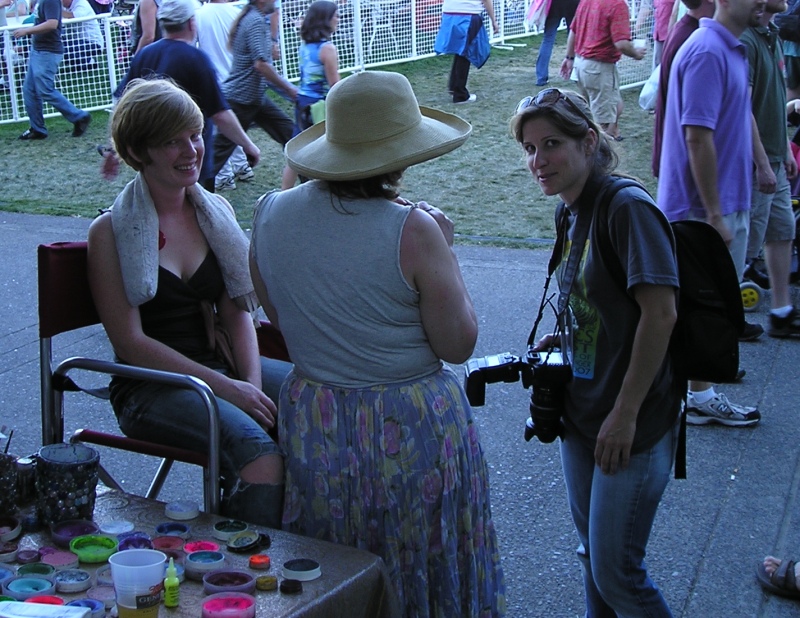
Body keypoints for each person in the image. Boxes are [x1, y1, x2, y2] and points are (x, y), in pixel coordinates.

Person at [249, 70, 506, 616]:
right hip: (407, 421)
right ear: (402, 152)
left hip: (317, 417)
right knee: (418, 559)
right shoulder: (414, 229)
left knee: (335, 564)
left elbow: (279, 315)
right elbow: (458, 343)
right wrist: (447, 252)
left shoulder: (269, 213)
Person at [86, 78, 291, 528]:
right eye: (171, 141)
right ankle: (245, 572)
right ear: (139, 151)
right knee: (263, 459)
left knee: (317, 402)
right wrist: (229, 390)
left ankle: (323, 549)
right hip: (149, 386)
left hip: (220, 370)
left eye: (195, 135)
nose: (191, 150)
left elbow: (238, 310)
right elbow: (131, 342)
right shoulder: (109, 232)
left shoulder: (213, 212)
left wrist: (249, 386)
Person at [512, 87, 680, 617]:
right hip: (582, 413)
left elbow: (661, 314)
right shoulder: (571, 208)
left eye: (552, 144)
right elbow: (603, 302)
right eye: (530, 148)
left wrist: (625, 415)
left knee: (618, 575)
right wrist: (567, 337)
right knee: (595, 561)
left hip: (628, 420)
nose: (539, 161)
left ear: (589, 141)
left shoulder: (626, 208)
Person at [657, 0, 764, 426]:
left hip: (721, 202)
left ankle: (695, 390)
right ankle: (697, 396)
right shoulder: (706, 50)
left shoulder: (729, 47)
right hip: (701, 210)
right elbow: (697, 137)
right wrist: (716, 214)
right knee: (705, 306)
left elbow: (734, 121)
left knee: (709, 305)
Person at [114, 0, 261, 190]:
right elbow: (220, 114)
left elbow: (121, 102)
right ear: (192, 23)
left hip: (155, 161)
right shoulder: (196, 59)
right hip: (190, 161)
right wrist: (249, 145)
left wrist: (114, 149)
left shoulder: (145, 54)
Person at [742, 0, 800, 337]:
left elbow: (776, 96)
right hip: (757, 161)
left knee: (782, 230)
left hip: (777, 157)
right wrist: (762, 162)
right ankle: (725, 314)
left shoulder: (771, 34)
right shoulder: (747, 40)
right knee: (747, 240)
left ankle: (781, 311)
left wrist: (786, 153)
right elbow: (743, 108)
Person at [210, 0, 297, 191]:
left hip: (254, 98)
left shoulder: (253, 18)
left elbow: (261, 63)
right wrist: (291, 91)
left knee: (293, 138)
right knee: (215, 158)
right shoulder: (255, 21)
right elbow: (261, 65)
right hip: (240, 100)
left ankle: (314, 184)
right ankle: (193, 195)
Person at [560, 0, 646, 140]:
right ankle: (598, 152)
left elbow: (574, 31)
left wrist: (570, 58)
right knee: (602, 124)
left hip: (582, 65)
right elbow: (622, 44)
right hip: (599, 68)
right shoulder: (617, 5)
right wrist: (636, 53)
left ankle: (609, 134)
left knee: (603, 108)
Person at [194, 0, 256, 191]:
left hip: (213, 79)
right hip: (235, 78)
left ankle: (224, 174)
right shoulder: (237, 13)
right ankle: (241, 166)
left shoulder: (199, 15)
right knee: (231, 125)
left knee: (217, 129)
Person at [652, 0, 715, 179]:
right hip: (685, 166)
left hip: (678, 159)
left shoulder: (687, 31)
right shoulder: (697, 43)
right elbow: (696, 129)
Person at [12, 0, 91, 140]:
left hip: (47, 52)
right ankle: (37, 129)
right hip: (39, 50)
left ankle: (79, 116)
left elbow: (52, 23)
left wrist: (27, 30)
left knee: (45, 90)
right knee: (30, 90)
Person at [283, 0, 340, 188]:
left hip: (302, 101)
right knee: (326, 151)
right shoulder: (327, 49)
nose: (339, 19)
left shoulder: (306, 45)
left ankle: (284, 194)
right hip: (319, 106)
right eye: (336, 16)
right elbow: (334, 85)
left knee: (295, 151)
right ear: (325, 20)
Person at [434, 0, 499, 103]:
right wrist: (494, 20)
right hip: (468, 14)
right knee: (465, 53)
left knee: (460, 52)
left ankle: (454, 87)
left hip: (449, 14)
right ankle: (460, 94)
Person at [534, 0, 579, 87]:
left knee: (548, 40)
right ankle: (575, 74)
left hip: (554, 4)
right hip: (573, 4)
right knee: (574, 36)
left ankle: (541, 77)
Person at [61, 0, 103, 70]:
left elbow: (75, 16)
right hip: (78, 42)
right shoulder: (65, 7)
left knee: (63, 47)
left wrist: (56, 10)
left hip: (93, 43)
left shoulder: (82, 3)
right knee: (59, 44)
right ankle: (82, 64)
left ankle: (89, 62)